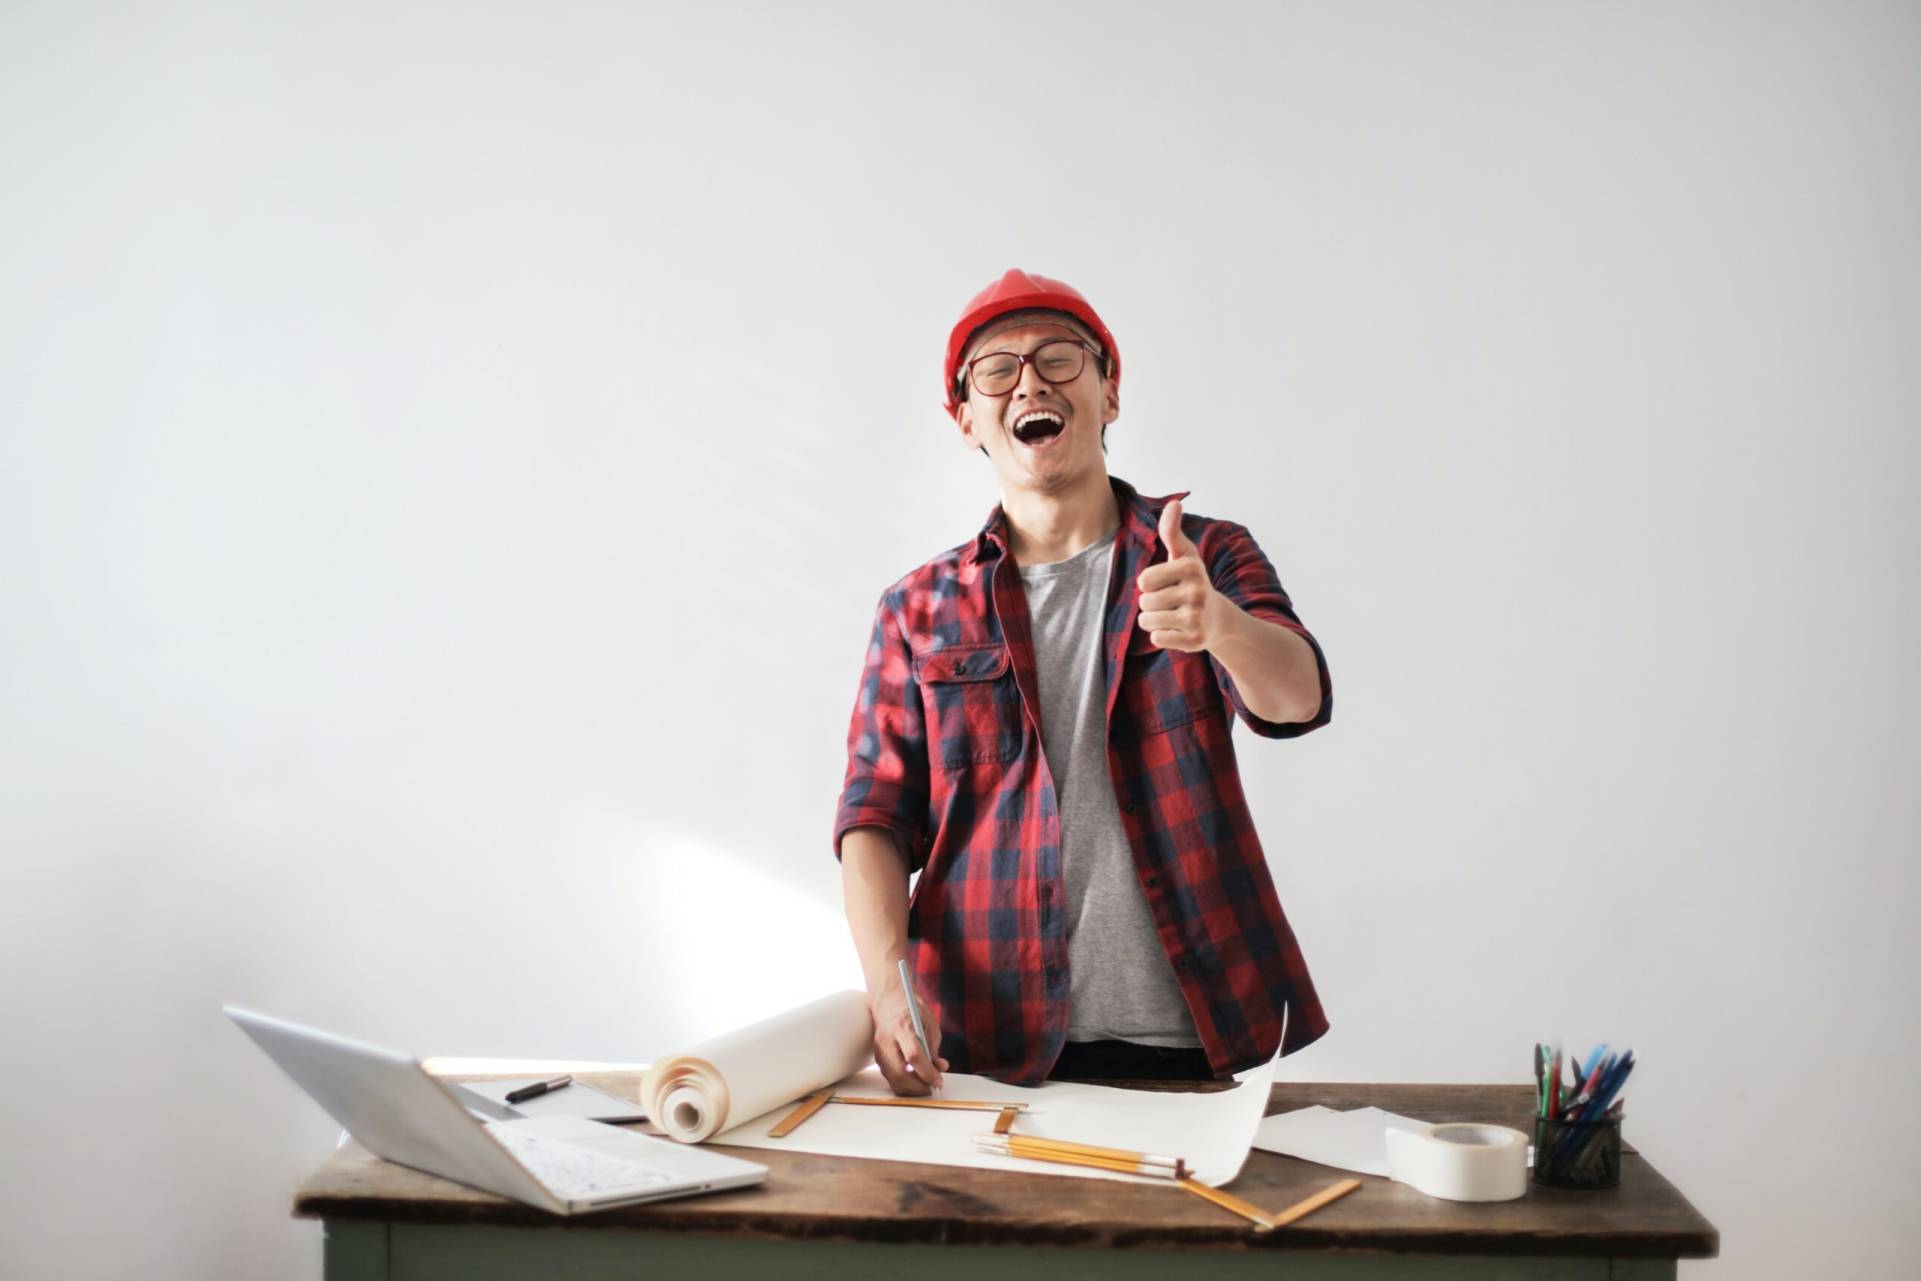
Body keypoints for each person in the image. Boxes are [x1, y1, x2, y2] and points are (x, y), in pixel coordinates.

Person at [834, 268, 1332, 1093]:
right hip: (980, 1045)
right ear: (965, 419)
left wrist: (1220, 626)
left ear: (1110, 393)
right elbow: (874, 817)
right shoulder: (915, 608)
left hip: (1182, 1041)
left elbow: (1298, 698)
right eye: (997, 370)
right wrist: (887, 990)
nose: (1030, 382)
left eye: (1059, 358)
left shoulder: (1200, 557)